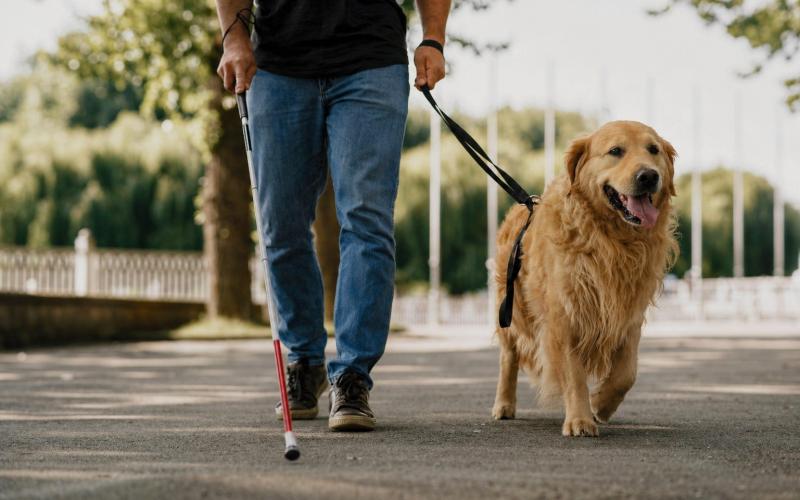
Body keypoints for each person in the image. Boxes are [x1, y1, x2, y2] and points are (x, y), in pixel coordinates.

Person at [214, 0, 450, 431]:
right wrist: (234, 37)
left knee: (366, 219)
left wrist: (432, 38)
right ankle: (305, 361)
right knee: (280, 224)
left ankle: (353, 375)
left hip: (371, 61)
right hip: (278, 66)